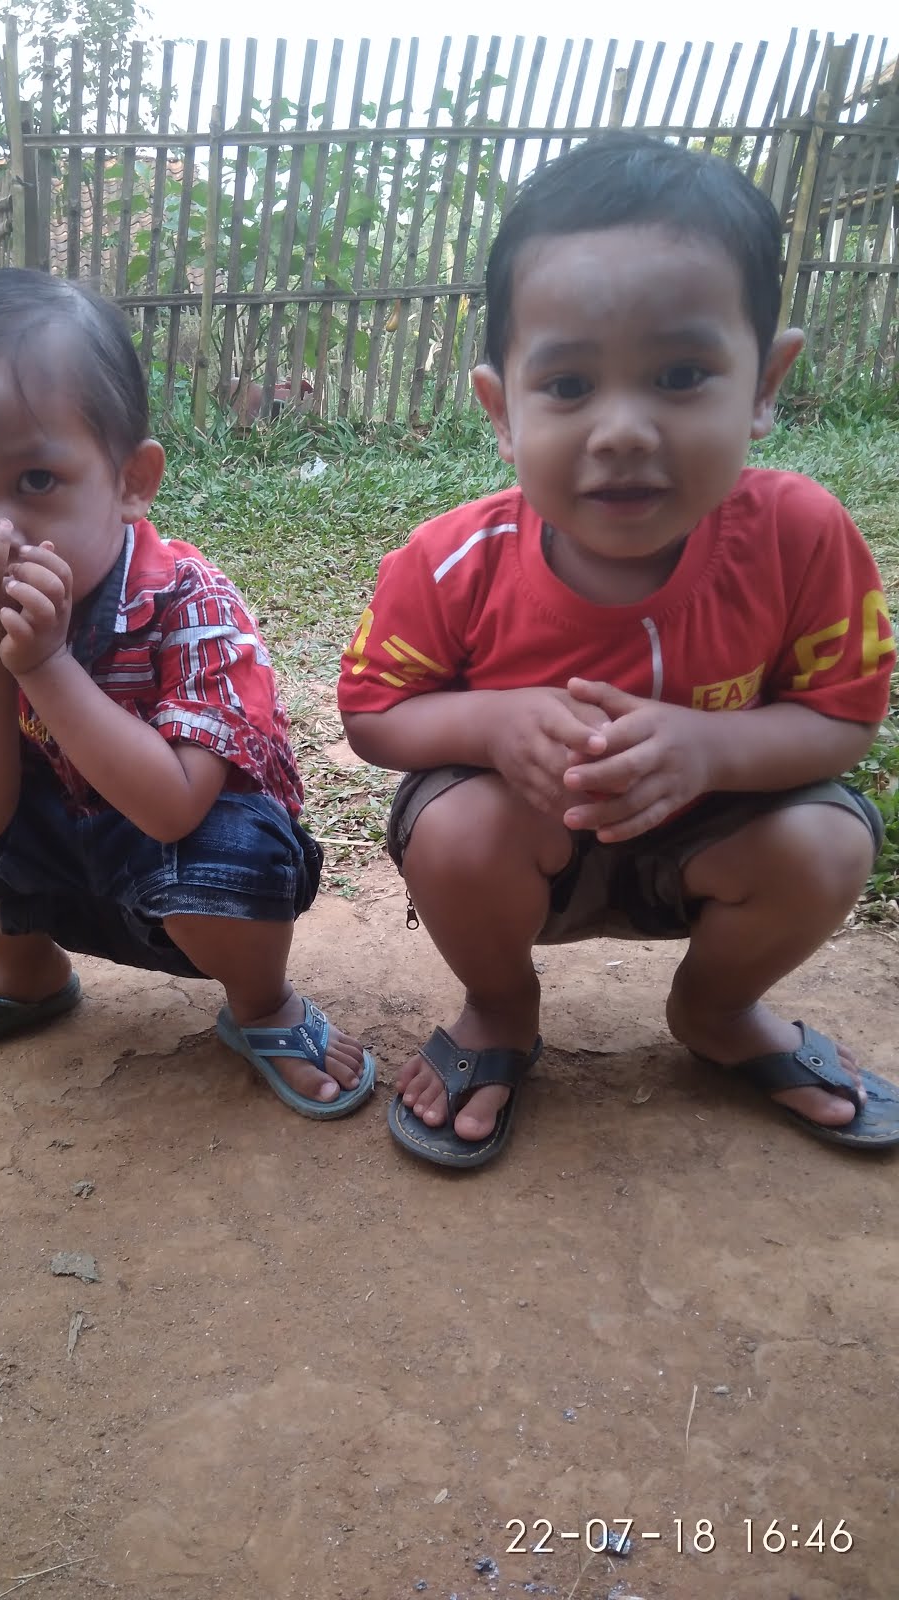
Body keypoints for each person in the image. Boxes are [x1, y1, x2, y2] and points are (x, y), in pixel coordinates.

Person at [338, 132, 897, 1167]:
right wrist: (490, 723)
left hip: (713, 843)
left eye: (681, 374)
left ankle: (718, 1011)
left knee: (829, 843)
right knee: (453, 830)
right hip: (525, 851)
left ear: (765, 383)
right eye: (568, 385)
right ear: (502, 410)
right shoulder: (449, 561)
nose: (624, 429)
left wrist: (710, 747)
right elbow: (373, 713)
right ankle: (499, 1007)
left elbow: (845, 718)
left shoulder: (802, 537)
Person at [0, 268, 374, 1119]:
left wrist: (45, 666)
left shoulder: (189, 599)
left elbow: (176, 809)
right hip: (58, 860)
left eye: (36, 479)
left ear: (131, 481)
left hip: (183, 869)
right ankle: (25, 973)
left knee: (239, 846)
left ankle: (263, 1006)